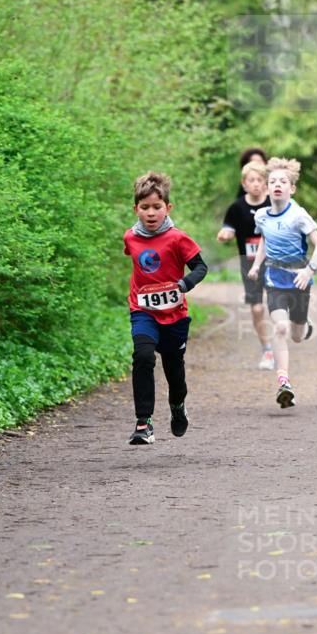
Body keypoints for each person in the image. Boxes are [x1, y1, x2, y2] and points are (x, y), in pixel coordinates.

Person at [124, 171, 208, 445]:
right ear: (136, 208)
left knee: (174, 372)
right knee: (144, 355)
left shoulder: (177, 238)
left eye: (157, 207)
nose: (151, 213)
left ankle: (177, 407)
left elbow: (200, 267)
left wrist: (184, 284)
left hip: (174, 315)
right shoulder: (130, 238)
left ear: (167, 208)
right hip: (143, 309)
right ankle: (144, 422)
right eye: (145, 207)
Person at [248, 157, 317, 408]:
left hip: (300, 281)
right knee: (280, 329)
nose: (277, 185)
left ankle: (304, 325)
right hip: (274, 279)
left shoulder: (298, 215)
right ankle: (284, 382)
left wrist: (309, 270)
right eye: (272, 181)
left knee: (296, 335)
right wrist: (257, 264)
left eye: (283, 181)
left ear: (292, 188)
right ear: (267, 188)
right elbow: (264, 242)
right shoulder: (261, 216)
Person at [217, 160, 274, 370]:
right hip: (249, 265)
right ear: (244, 183)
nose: (256, 184)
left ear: (266, 183)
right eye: (252, 180)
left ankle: (285, 333)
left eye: (260, 180)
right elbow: (228, 228)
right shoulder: (237, 207)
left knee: (279, 303)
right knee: (258, 308)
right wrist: (225, 234)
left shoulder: (274, 203)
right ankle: (267, 349)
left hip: (275, 262)